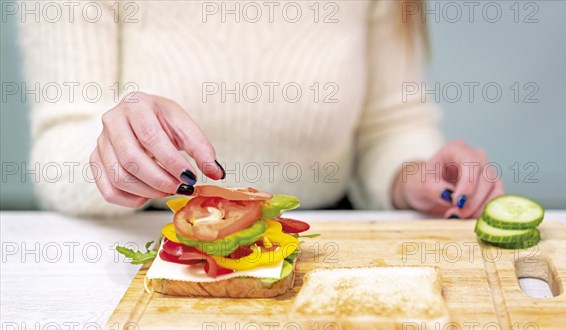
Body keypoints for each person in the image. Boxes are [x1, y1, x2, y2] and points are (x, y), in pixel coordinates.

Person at [19, 0, 503, 218]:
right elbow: (58, 147)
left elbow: (390, 123)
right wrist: (114, 154)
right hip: (148, 250)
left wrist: (416, 174)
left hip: (323, 246)